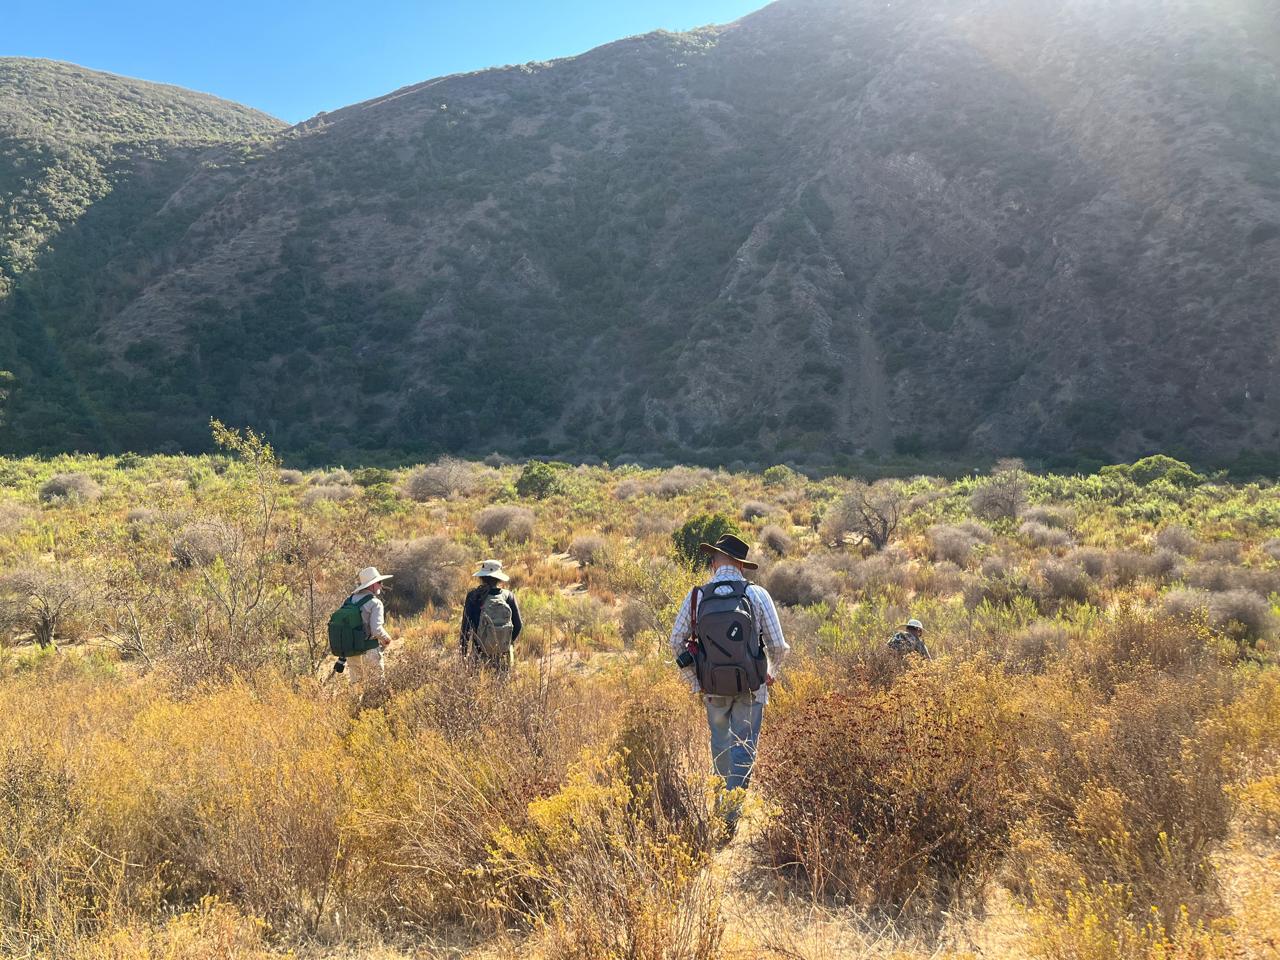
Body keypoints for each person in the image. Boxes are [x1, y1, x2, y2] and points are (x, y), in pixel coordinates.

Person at [668, 533, 789, 835]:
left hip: (712, 688)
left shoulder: (696, 597)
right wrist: (770, 671)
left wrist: (695, 681)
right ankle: (731, 815)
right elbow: (778, 645)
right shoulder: (757, 595)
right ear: (741, 566)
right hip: (751, 687)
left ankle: (721, 805)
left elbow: (676, 642)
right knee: (743, 747)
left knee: (721, 744)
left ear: (713, 563)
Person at [460, 559, 523, 669]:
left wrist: (463, 655)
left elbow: (466, 629)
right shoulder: (508, 596)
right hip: (504, 655)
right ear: (499, 578)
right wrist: (505, 642)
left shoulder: (474, 596)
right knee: (504, 679)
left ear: (482, 577)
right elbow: (518, 625)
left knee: (480, 680)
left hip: (480, 654)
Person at [342, 566, 394, 687]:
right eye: (379, 582)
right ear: (372, 585)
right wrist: (387, 639)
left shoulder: (349, 600)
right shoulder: (375, 603)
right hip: (369, 650)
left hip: (352, 652)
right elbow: (376, 629)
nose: (381, 585)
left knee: (357, 687)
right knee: (377, 687)